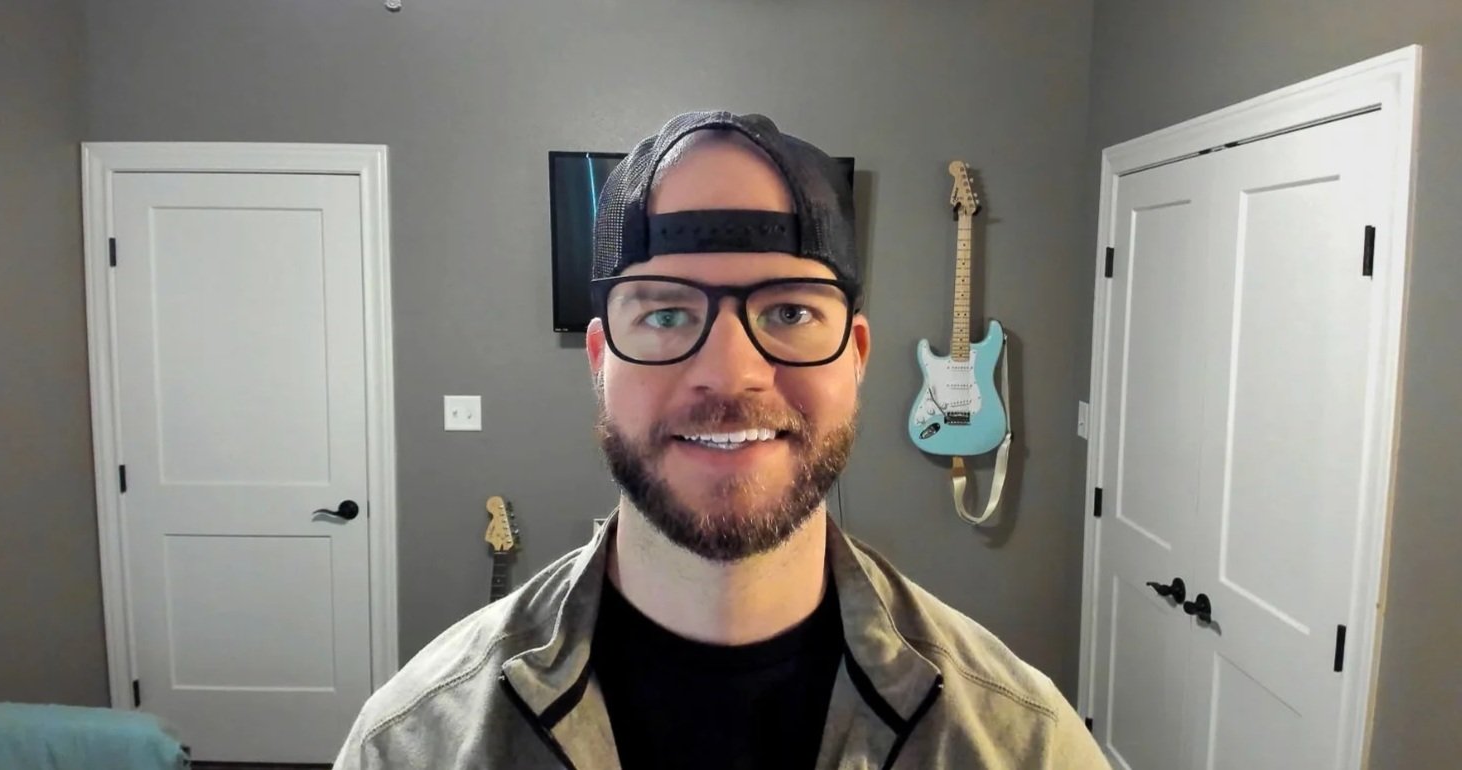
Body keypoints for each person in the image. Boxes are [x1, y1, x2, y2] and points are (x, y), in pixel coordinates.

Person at [334, 110, 1109, 769]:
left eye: (790, 313)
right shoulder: (413, 744)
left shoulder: (1025, 744)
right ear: (601, 363)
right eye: (667, 314)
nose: (731, 373)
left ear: (858, 357)